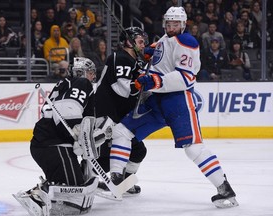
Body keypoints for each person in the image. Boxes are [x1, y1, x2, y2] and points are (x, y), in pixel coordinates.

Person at [108, 7, 239, 208]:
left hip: (178, 101)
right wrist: (145, 52)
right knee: (122, 131)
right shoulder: (164, 40)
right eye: (168, 23)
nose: (171, 27)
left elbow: (185, 77)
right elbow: (156, 53)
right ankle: (119, 180)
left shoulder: (186, 42)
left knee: (193, 149)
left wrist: (154, 81)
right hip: (156, 101)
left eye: (175, 24)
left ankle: (224, 189)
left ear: (183, 24)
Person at [13, 57, 109, 215]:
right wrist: (78, 133)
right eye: (90, 73)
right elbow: (67, 110)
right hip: (54, 145)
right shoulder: (82, 83)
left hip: (47, 143)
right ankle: (37, 195)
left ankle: (50, 186)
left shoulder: (66, 85)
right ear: (81, 73)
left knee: (71, 185)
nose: (93, 76)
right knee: (74, 190)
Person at [95, 27, 148, 195]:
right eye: (140, 41)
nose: (143, 44)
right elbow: (122, 89)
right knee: (102, 154)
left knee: (139, 150)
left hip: (121, 116)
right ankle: (80, 180)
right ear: (128, 42)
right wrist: (140, 83)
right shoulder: (121, 57)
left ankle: (124, 183)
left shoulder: (136, 63)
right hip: (106, 114)